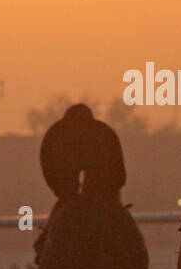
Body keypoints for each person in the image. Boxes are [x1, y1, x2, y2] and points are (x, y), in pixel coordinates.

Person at [36, 104, 127, 259]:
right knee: (126, 238)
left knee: (48, 244)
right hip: (102, 199)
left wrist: (68, 196)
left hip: (71, 198)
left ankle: (43, 251)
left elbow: (51, 175)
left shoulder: (56, 140)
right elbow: (119, 177)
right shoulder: (105, 137)